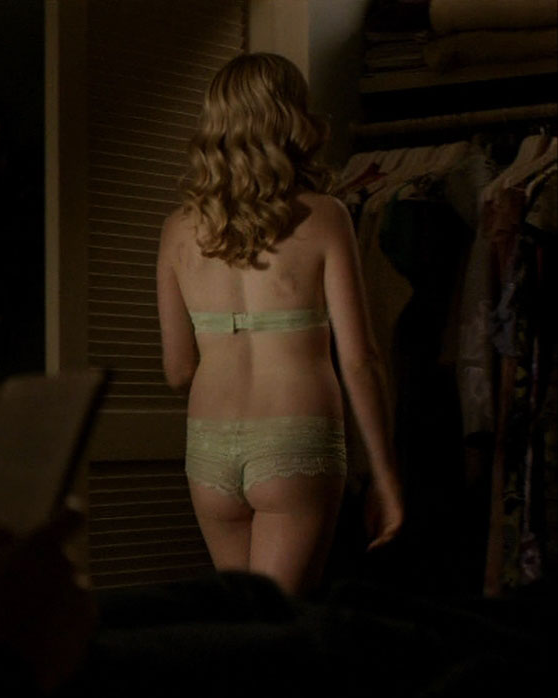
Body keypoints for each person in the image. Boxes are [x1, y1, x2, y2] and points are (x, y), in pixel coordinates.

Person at [156, 52, 405, 596]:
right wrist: (386, 478)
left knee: (244, 625)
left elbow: (178, 371)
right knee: (278, 628)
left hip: (209, 448)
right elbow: (360, 360)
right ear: (291, 117)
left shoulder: (176, 230)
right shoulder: (325, 217)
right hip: (295, 439)